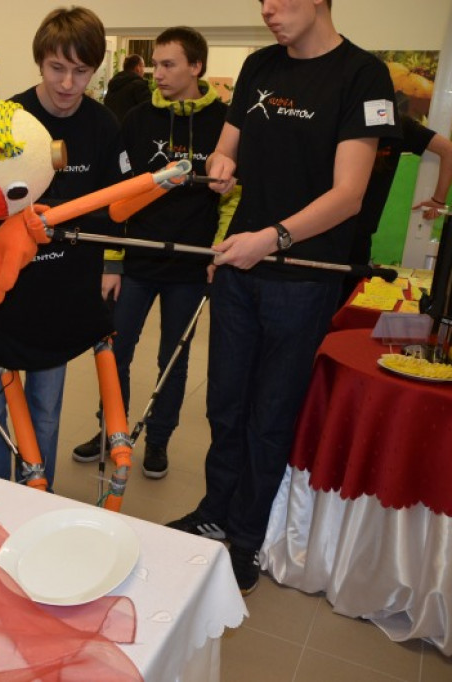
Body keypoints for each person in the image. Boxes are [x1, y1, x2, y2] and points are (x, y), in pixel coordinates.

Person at [167, 0, 399, 595]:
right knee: (225, 404)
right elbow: (228, 147)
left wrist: (270, 239)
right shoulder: (259, 66)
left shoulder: (363, 75)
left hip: (301, 276)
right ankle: (216, 510)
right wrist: (222, 164)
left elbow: (349, 195)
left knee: (270, 416)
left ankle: (247, 535)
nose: (268, 9)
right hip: (240, 268)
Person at [0, 6, 124, 489]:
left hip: (62, 288)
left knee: (45, 408)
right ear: (40, 61)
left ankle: (39, 496)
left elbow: (117, 206)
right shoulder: (7, 119)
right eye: (57, 68)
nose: (68, 84)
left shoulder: (104, 126)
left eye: (81, 71)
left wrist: (112, 264)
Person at [72, 27, 228, 479]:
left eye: (168, 64)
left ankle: (158, 439)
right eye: (155, 64)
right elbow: (117, 197)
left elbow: (234, 198)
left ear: (196, 66)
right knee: (114, 352)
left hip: (191, 266)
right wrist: (112, 261)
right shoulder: (137, 119)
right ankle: (112, 431)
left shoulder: (225, 122)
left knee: (172, 362)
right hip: (136, 262)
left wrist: (219, 252)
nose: (156, 73)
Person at [344, 111, 452, 296]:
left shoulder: (396, 123)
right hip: (324, 232)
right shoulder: (342, 115)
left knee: (345, 302)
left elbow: (448, 150)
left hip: (359, 238)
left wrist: (438, 199)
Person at [104, 53, 151, 123]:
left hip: (112, 128)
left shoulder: (113, 86)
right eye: (143, 66)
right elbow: (149, 110)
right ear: (138, 68)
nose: (143, 71)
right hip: (132, 128)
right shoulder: (139, 86)